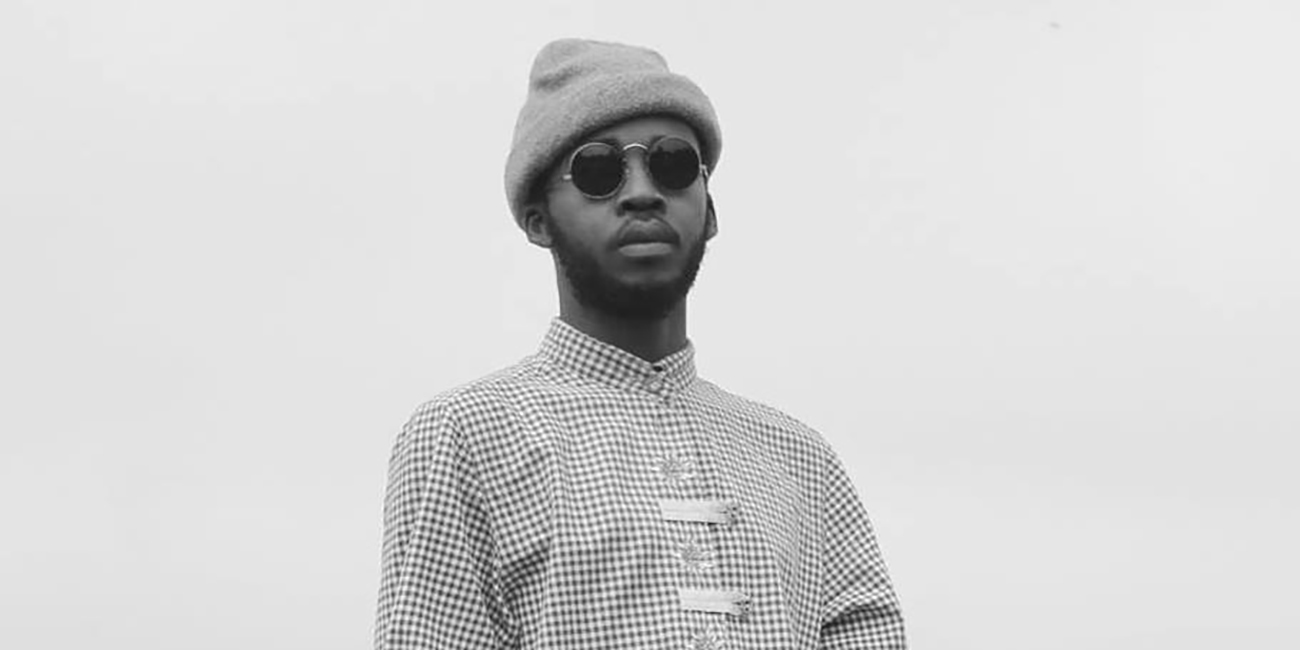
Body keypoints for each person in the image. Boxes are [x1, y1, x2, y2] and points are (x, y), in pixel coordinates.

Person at [374, 38, 905, 650]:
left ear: (709, 210)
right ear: (538, 220)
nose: (642, 191)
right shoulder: (469, 434)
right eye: (598, 171)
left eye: (672, 163)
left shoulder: (799, 459)